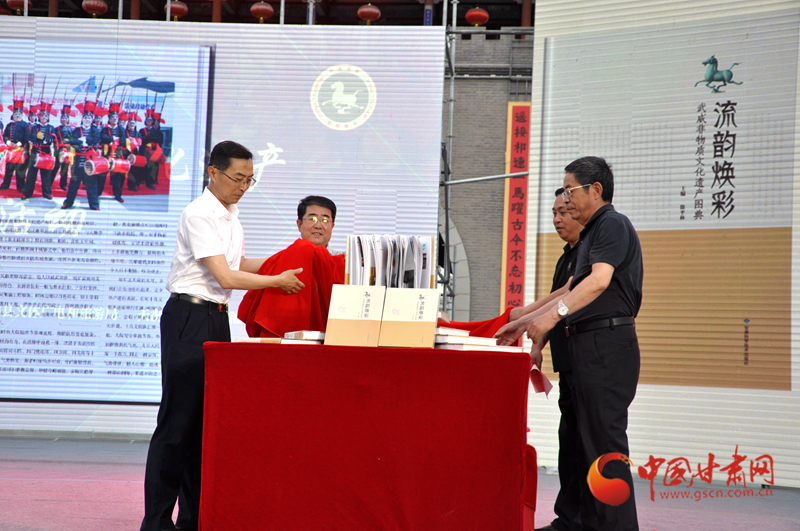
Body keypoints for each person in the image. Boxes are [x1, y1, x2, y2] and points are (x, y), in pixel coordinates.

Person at [141, 140, 305, 531]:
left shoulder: (231, 216)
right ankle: (157, 521)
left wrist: (292, 259)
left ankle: (193, 520)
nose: (243, 187)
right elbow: (227, 277)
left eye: (250, 180)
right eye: (237, 178)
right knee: (177, 424)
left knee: (203, 426)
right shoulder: (199, 213)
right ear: (213, 172)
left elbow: (238, 263)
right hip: (188, 317)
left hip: (215, 319)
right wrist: (277, 281)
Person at [501, 156, 642, 531]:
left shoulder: (612, 223)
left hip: (607, 345)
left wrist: (548, 317)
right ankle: (578, 523)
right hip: (585, 347)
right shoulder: (592, 234)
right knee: (580, 444)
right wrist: (526, 323)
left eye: (569, 191)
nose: (565, 199)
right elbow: (569, 291)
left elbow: (597, 282)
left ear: (595, 190)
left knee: (604, 447)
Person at [238, 195, 345, 338]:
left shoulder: (344, 263)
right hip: (285, 339)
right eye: (312, 218)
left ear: (332, 226)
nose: (318, 225)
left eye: (325, 220)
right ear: (299, 224)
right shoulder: (282, 260)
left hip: (331, 337)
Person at [62, 104, 101, 211]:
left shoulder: (95, 130)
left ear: (92, 120)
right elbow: (72, 141)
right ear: (82, 119)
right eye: (85, 118)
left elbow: (96, 141)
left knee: (91, 184)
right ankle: (68, 203)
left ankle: (94, 205)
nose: (87, 120)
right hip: (78, 160)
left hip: (90, 161)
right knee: (74, 183)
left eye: (89, 118)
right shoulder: (77, 130)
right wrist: (80, 141)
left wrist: (86, 140)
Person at [23, 104, 57, 200]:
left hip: (46, 152)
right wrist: (40, 139)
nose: (44, 117)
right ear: (39, 117)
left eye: (46, 116)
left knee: (46, 174)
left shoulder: (51, 128)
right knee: (31, 174)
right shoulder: (35, 127)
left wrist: (43, 138)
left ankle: (47, 193)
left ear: (48, 118)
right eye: (42, 116)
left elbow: (52, 139)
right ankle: (27, 193)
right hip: (35, 152)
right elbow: (32, 138)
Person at [1, 102, 30, 193]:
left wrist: (19, 144)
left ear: (22, 115)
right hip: (11, 150)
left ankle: (20, 186)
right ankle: (5, 184)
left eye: (19, 114)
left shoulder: (25, 125)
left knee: (20, 170)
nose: (17, 116)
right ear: (13, 115)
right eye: (15, 114)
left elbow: (27, 136)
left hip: (20, 150)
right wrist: (8, 142)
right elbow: (5, 135)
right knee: (9, 169)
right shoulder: (9, 125)